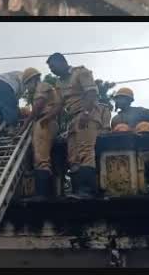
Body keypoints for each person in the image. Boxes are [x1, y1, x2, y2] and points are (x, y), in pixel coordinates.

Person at [46, 53, 99, 199]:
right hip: (72, 119)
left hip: (86, 115)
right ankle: (78, 191)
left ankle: (88, 190)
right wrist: (45, 119)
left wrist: (86, 113)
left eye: (53, 66)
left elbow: (91, 92)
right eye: (50, 68)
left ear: (62, 62)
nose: (52, 70)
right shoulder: (59, 83)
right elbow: (59, 106)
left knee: (85, 150)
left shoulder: (81, 72)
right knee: (73, 156)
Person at [19, 68, 63, 200]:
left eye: (27, 84)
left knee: (41, 158)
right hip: (48, 121)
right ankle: (45, 192)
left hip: (44, 122)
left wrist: (25, 124)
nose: (27, 88)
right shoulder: (47, 88)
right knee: (42, 157)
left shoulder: (42, 86)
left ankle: (42, 194)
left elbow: (38, 107)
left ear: (33, 79)